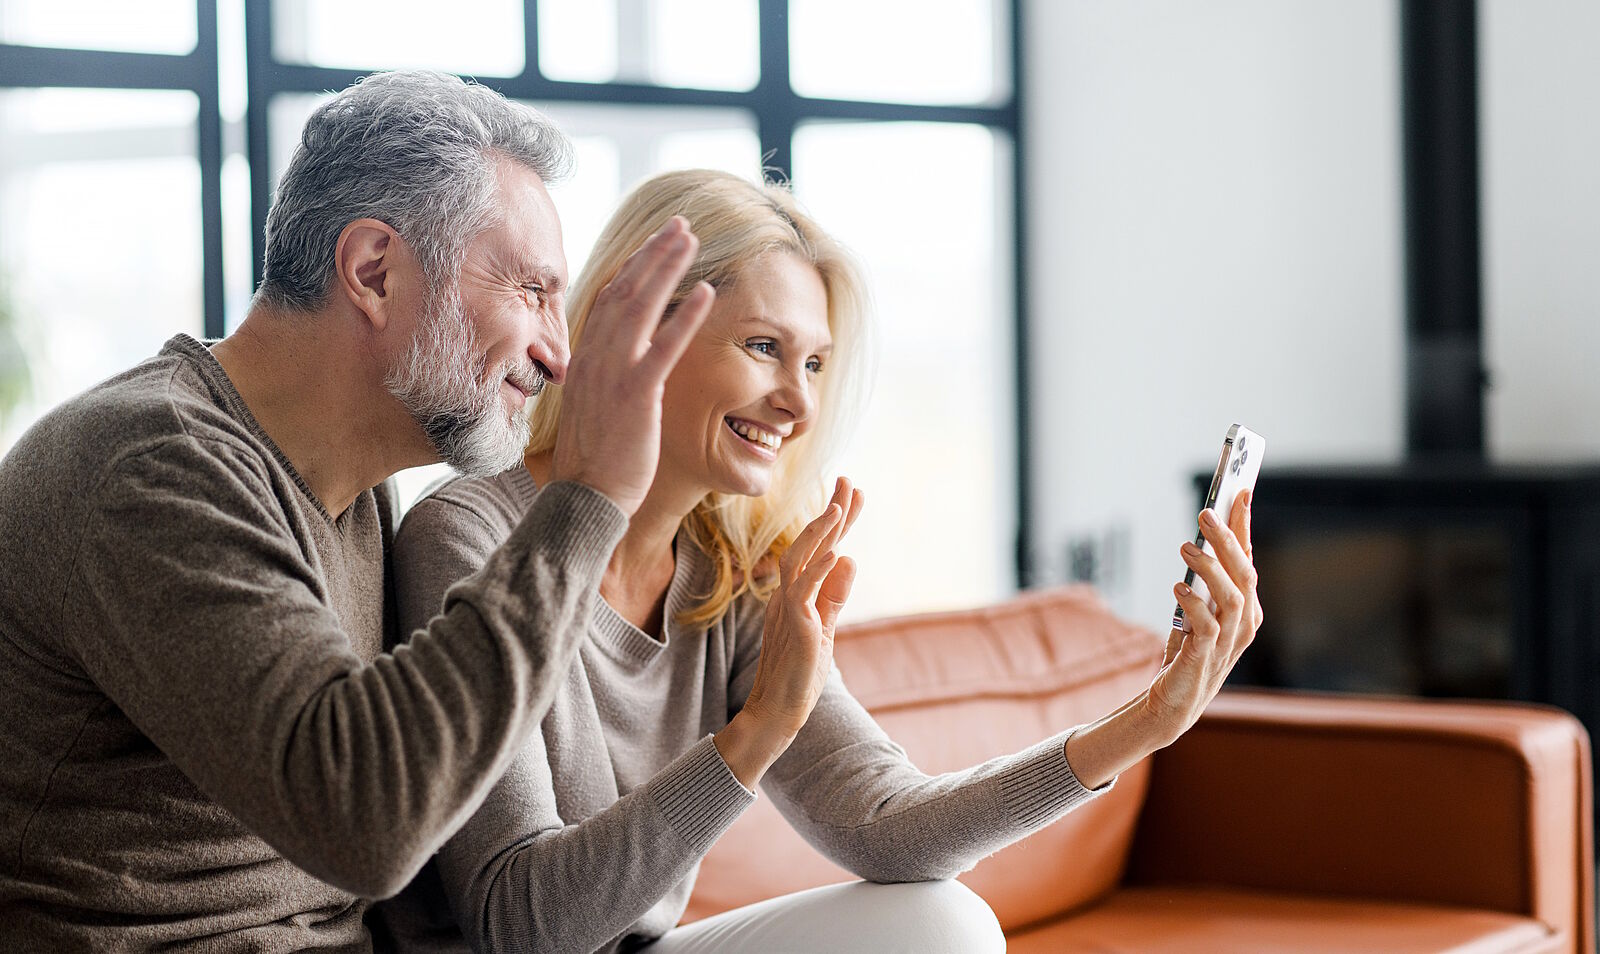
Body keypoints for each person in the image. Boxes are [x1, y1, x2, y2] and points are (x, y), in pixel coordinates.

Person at [372, 169, 1264, 953]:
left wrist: (1147, 723)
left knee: (942, 926)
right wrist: (756, 733)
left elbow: (890, 828)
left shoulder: (736, 571)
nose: (798, 401)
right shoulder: (469, 535)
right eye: (764, 347)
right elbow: (521, 924)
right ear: (645, 326)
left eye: (816, 363)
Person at [0, 70, 715, 949]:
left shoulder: (357, 497)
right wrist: (588, 497)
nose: (558, 356)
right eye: (531, 292)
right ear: (374, 269)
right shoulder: (148, 467)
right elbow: (367, 821)